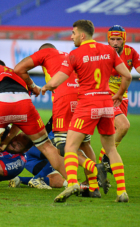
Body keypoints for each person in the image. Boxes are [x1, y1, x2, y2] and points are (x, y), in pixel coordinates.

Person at [42, 20, 132, 203]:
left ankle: (73, 183)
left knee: (69, 147)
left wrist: (46, 86)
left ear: (82, 35)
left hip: (87, 105)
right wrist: (120, 94)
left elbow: (57, 79)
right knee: (111, 148)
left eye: (73, 33)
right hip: (107, 105)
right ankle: (122, 192)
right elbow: (128, 75)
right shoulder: (109, 51)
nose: (71, 36)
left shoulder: (75, 54)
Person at [14, 43, 101, 196]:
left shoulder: (45, 53)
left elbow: (18, 69)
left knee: (61, 146)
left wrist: (33, 85)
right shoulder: (67, 56)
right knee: (85, 143)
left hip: (64, 100)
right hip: (83, 97)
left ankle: (94, 169)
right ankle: (92, 186)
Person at [0, 62, 68, 195]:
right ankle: (74, 181)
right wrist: (6, 141)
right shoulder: (16, 73)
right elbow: (18, 119)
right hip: (24, 103)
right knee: (47, 146)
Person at [98, 25, 140, 166]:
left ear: (124, 39)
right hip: (106, 96)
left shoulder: (130, 52)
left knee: (115, 132)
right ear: (108, 40)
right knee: (123, 126)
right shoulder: (102, 52)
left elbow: (139, 67)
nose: (115, 42)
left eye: (118, 39)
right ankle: (106, 159)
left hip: (122, 97)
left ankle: (101, 165)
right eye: (112, 39)